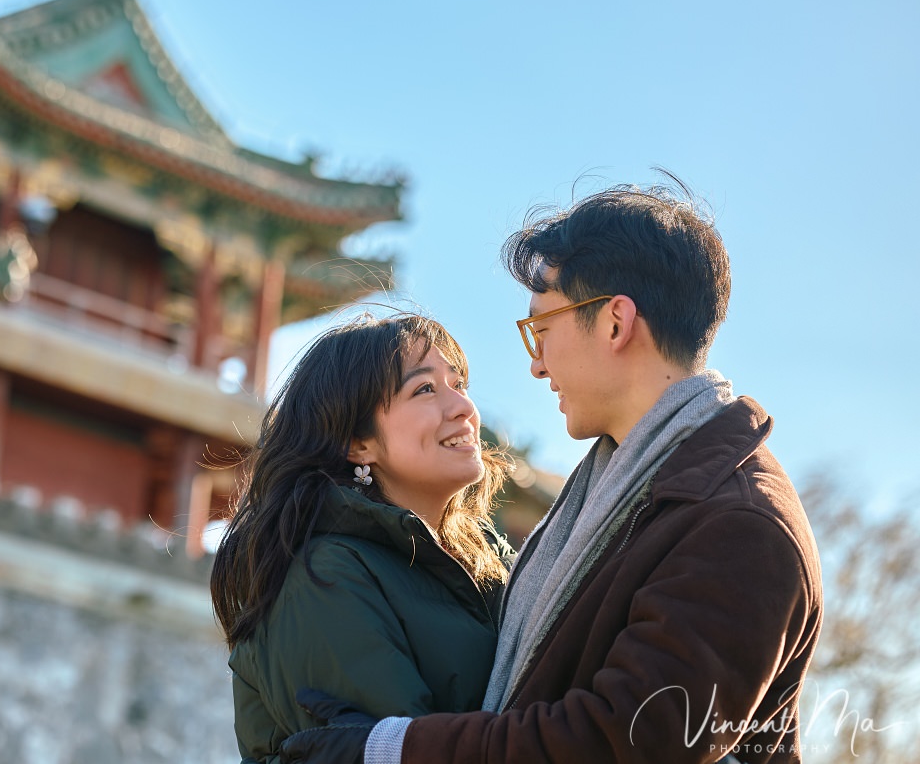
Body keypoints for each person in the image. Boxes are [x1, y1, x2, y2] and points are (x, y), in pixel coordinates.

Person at [280, 176, 824, 764]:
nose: (537, 365)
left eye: (541, 329)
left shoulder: (740, 526)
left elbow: (620, 742)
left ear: (615, 322)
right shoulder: (621, 494)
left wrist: (389, 748)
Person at [210, 314, 517, 764]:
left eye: (459, 384)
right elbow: (402, 752)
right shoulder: (321, 577)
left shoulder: (487, 561)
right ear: (358, 444)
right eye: (425, 389)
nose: (464, 409)